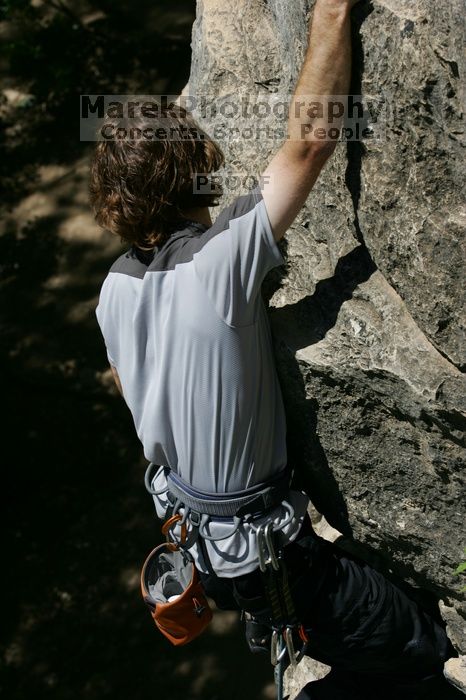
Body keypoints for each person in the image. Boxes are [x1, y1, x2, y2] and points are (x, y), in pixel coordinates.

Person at [91, 0, 460, 697]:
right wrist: (330, 14)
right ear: (196, 169)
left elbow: (127, 375)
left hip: (200, 542)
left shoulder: (113, 291)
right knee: (420, 642)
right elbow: (310, 140)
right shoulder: (223, 265)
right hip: (269, 558)